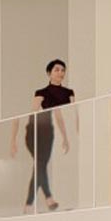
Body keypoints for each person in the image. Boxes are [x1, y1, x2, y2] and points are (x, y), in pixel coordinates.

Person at [13, 58, 73, 213]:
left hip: (49, 133)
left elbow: (65, 114)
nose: (60, 72)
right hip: (35, 131)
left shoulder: (68, 93)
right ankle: (44, 199)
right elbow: (34, 112)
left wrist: (66, 136)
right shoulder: (41, 93)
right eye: (57, 70)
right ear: (49, 73)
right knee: (40, 165)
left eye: (62, 70)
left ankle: (33, 203)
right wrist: (13, 139)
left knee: (40, 166)